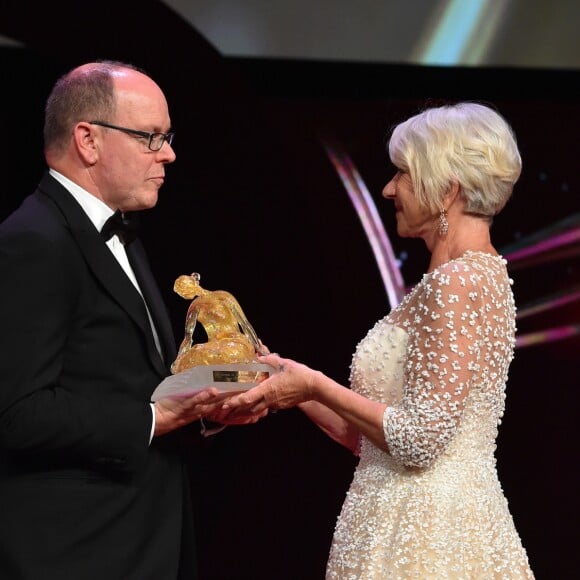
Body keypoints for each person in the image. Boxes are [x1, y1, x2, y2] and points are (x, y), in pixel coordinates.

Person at [224, 102, 535, 578]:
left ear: (447, 190)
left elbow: (417, 442)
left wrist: (314, 385)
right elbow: (368, 439)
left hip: (427, 534)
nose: (389, 188)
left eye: (403, 174)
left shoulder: (457, 284)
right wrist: (289, 383)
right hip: (401, 517)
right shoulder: (470, 277)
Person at [0, 60, 262, 580]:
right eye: (151, 137)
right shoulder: (33, 241)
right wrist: (155, 419)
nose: (169, 153)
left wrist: (206, 408)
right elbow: (16, 412)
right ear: (88, 140)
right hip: (73, 551)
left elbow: (124, 380)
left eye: (167, 137)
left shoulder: (117, 230)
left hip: (140, 538)